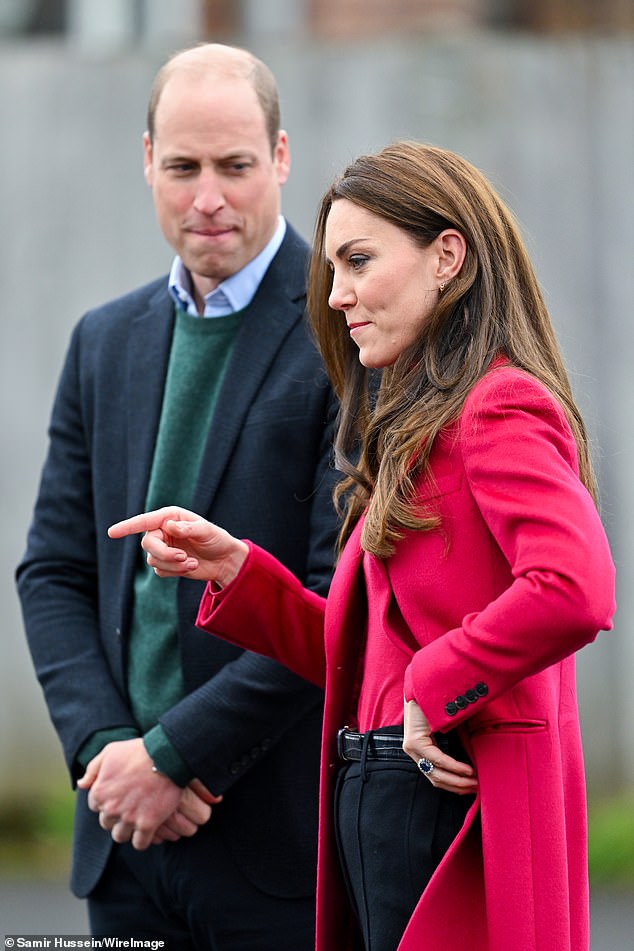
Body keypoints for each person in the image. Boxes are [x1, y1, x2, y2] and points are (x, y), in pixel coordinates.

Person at [109, 141, 616, 951]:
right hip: (382, 801)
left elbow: (575, 587)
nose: (338, 295)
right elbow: (368, 666)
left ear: (447, 255)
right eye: (334, 269)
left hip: (445, 814)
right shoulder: (420, 427)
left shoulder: (498, 405)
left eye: (358, 261)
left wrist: (436, 681)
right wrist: (241, 572)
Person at [16, 43, 340, 950]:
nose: (208, 197)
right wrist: (108, 755)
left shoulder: (345, 333)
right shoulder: (103, 340)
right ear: (145, 159)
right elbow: (52, 570)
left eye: (235, 166)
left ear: (280, 158)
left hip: (274, 845)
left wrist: (176, 759)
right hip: (122, 840)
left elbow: (330, 603)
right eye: (183, 166)